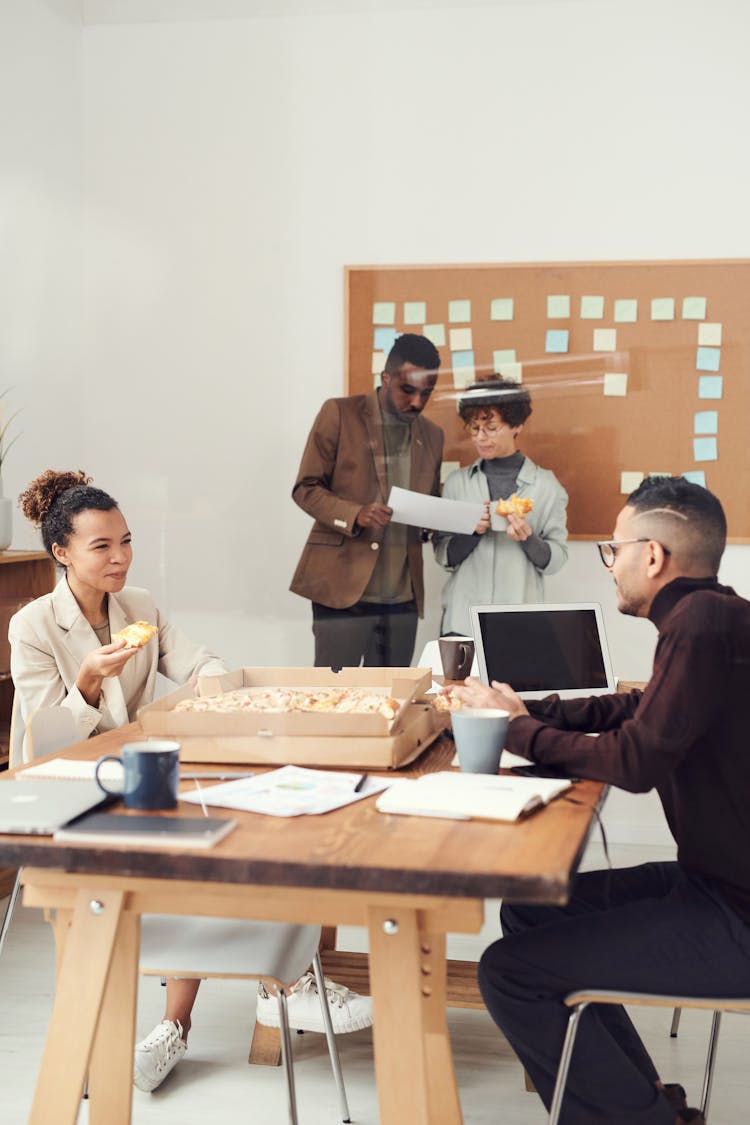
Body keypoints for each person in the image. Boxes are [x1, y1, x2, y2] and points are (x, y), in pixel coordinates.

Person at [9, 470, 372, 1094]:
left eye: (126, 540)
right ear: (61, 553)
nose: (120, 557)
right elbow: (49, 743)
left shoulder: (140, 606)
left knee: (253, 821)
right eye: (102, 547)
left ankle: (263, 989)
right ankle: (274, 986)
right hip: (70, 789)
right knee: (191, 845)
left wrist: (219, 693)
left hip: (138, 775)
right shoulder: (32, 627)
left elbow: (200, 662)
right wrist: (91, 680)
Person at [455, 476, 750, 1124]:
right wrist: (528, 708)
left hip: (736, 913)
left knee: (510, 972)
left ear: (653, 555)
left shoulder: (701, 623)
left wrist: (518, 731)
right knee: (532, 911)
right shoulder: (716, 616)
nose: (610, 564)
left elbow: (636, 759)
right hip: (716, 885)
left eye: (612, 550)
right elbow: (636, 705)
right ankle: (646, 1106)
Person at [290, 332, 443, 667]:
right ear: (385, 378)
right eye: (408, 390)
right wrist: (354, 514)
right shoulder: (339, 414)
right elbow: (305, 487)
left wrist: (438, 523)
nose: (417, 402)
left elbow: (429, 501)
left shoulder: (433, 436)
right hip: (342, 593)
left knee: (392, 704)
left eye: (426, 393)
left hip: (402, 600)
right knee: (334, 700)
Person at [433, 378, 568, 636]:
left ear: (516, 426)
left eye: (492, 428)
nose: (481, 438)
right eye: (474, 428)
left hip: (519, 625)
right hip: (462, 623)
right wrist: (473, 532)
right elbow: (443, 555)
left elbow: (556, 561)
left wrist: (528, 539)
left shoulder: (546, 487)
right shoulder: (456, 484)